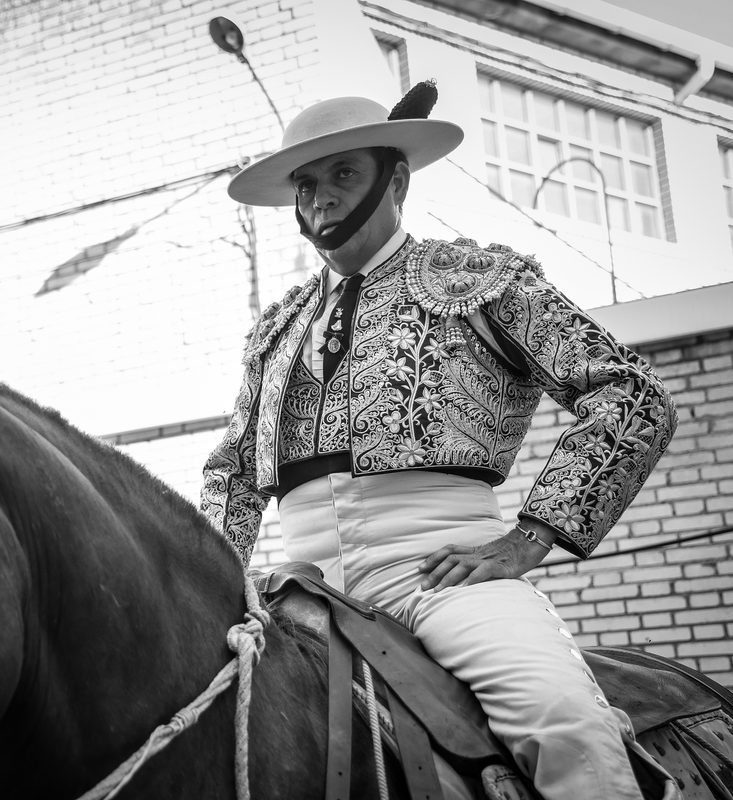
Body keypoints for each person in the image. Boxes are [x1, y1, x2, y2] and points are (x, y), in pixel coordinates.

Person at [201, 82, 677, 800]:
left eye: (343, 174)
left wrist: (527, 540)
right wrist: (212, 582)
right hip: (301, 590)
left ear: (396, 180)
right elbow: (233, 472)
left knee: (561, 721)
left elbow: (629, 394)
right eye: (306, 183)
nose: (321, 198)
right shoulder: (276, 328)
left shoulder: (483, 281)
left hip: (437, 575)